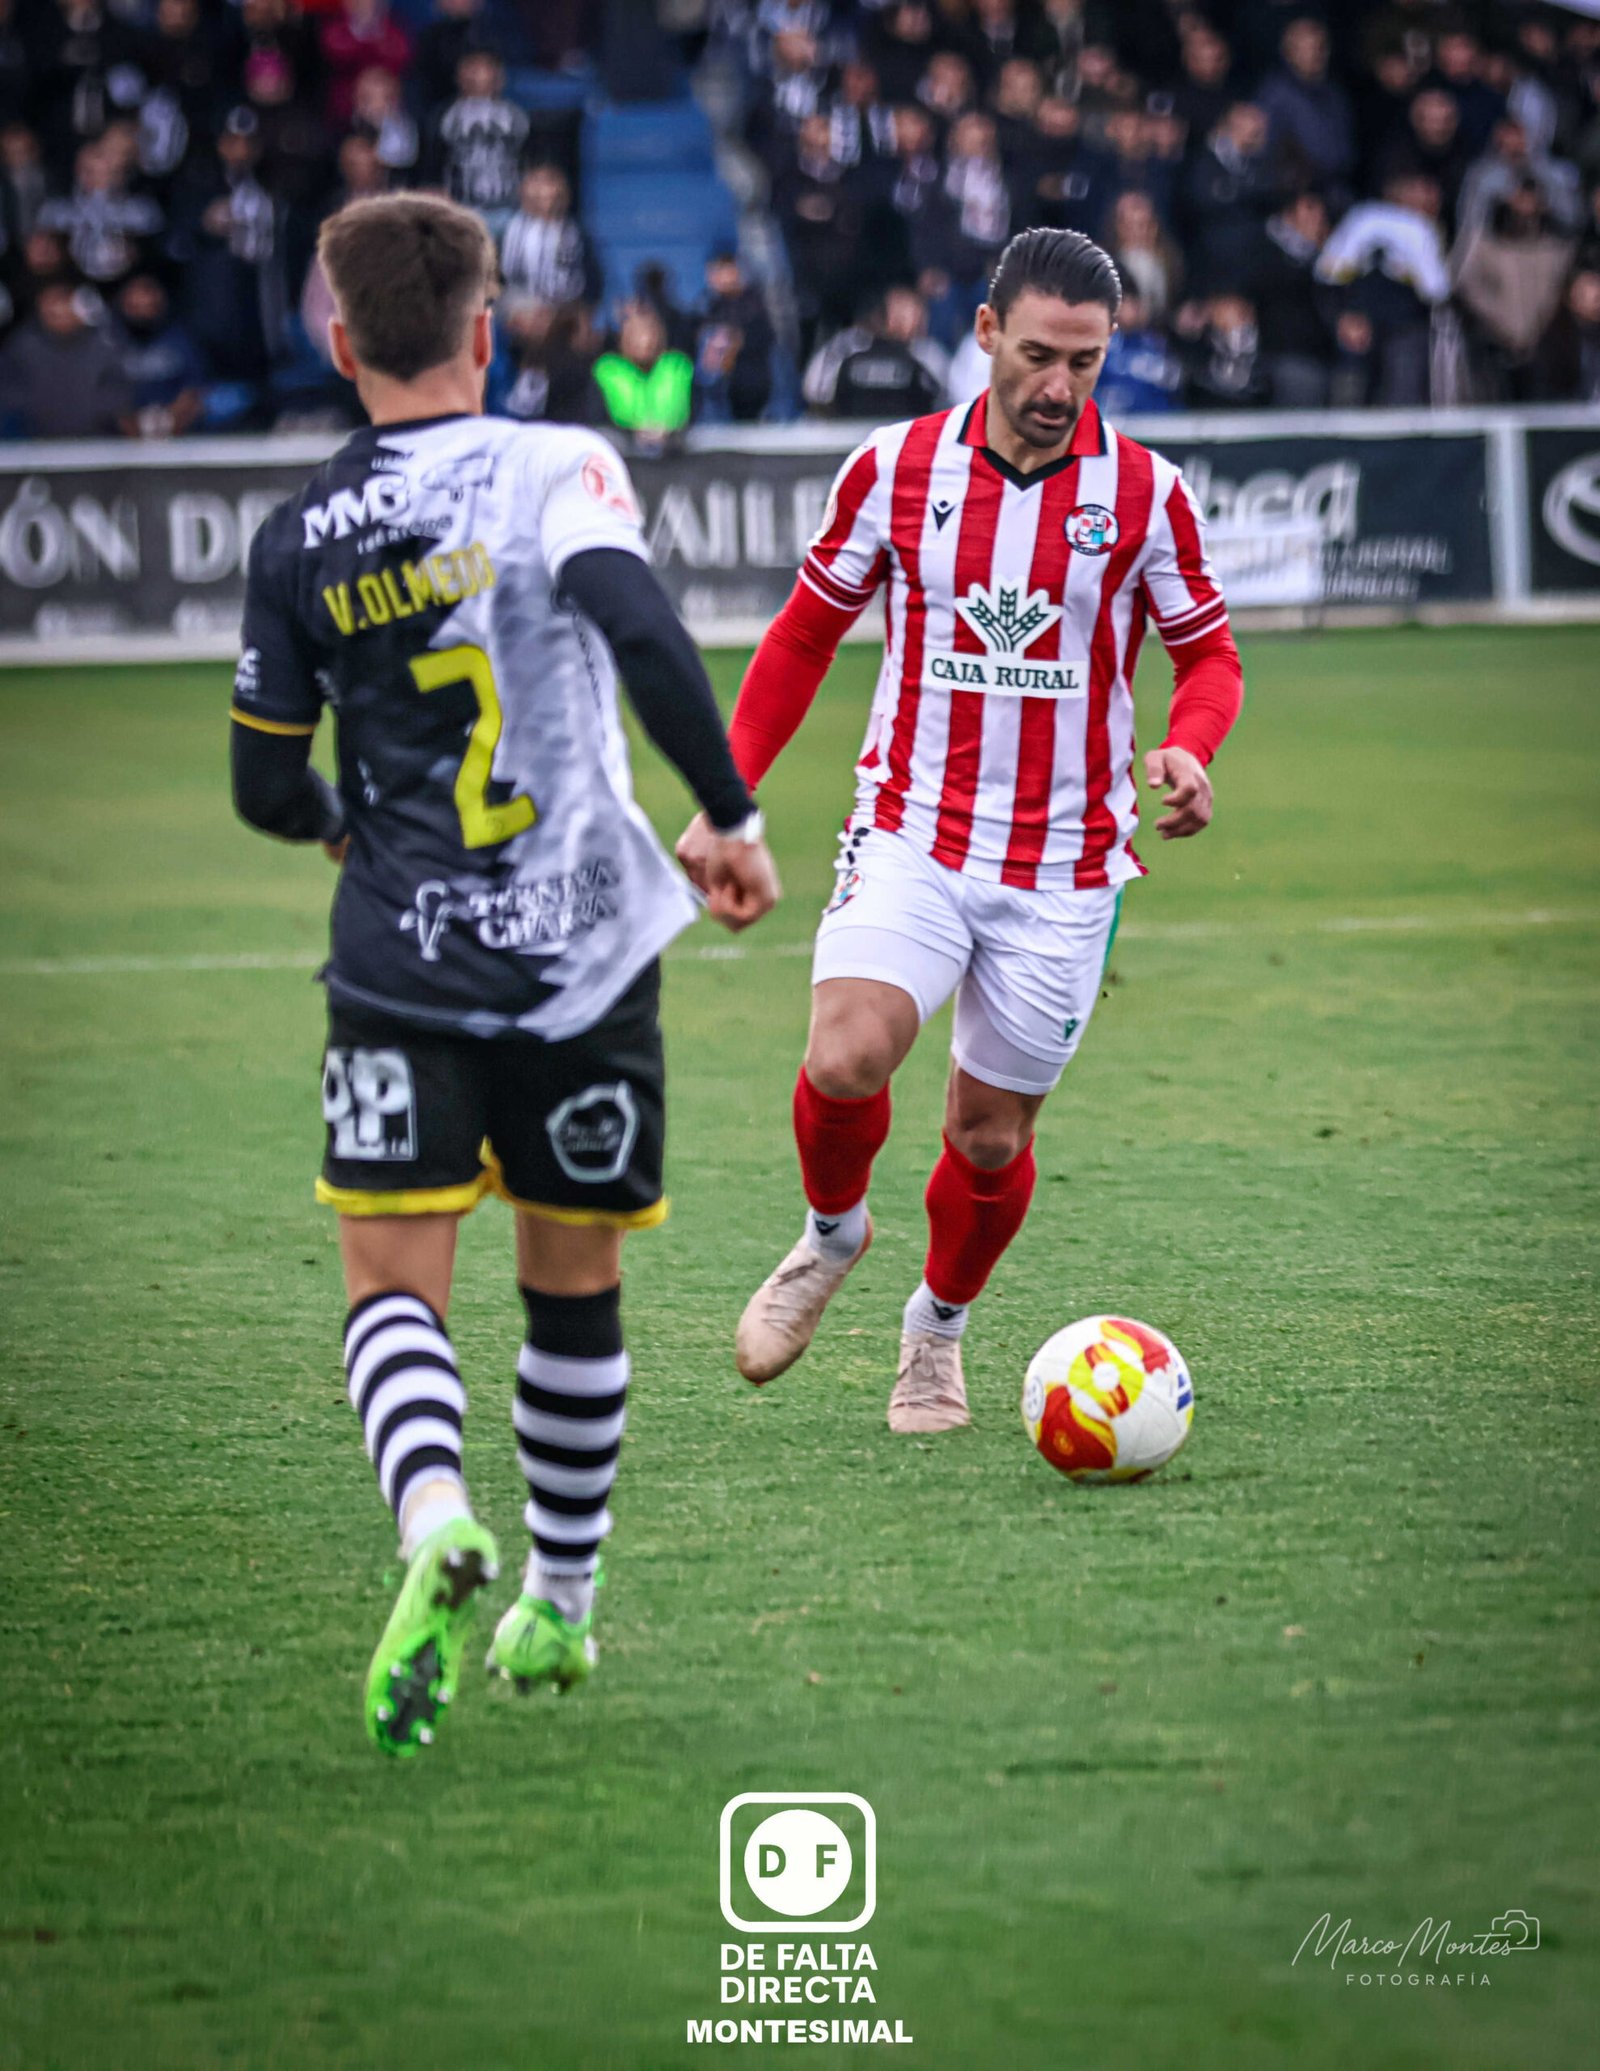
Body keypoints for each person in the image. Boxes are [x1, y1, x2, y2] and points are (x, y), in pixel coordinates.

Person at [229, 193, 779, 1756]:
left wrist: (342, 827)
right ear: (487, 329)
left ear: (342, 345)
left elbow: (264, 787)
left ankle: (433, 1516)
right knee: (572, 1284)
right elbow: (643, 631)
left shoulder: (298, 537)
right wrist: (730, 816)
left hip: (399, 957)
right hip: (586, 955)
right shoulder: (557, 465)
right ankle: (562, 1601)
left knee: (393, 1290)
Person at [676, 228, 1242, 1432]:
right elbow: (802, 637)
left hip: (1065, 867)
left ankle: (935, 1329)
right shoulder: (893, 468)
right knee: (844, 1056)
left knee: (986, 1138)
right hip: (912, 828)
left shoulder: (1145, 494)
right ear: (984, 332)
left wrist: (1192, 744)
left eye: (1084, 363)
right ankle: (832, 1235)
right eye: (1037, 355)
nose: (1058, 386)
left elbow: (1208, 657)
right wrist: (727, 798)